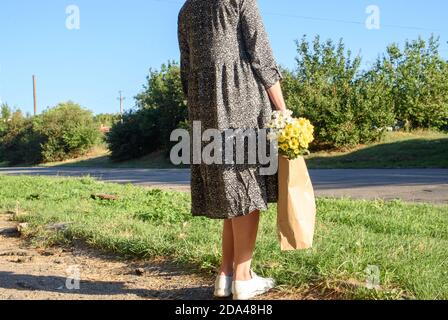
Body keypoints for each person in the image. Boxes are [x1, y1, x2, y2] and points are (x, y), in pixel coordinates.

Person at [178, 0, 287, 300]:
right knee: (247, 187)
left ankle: (225, 274)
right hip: (241, 98)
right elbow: (262, 57)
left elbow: (186, 73)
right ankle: (243, 277)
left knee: (231, 190)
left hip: (203, 107)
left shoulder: (186, 10)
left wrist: (203, 106)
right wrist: (283, 110)